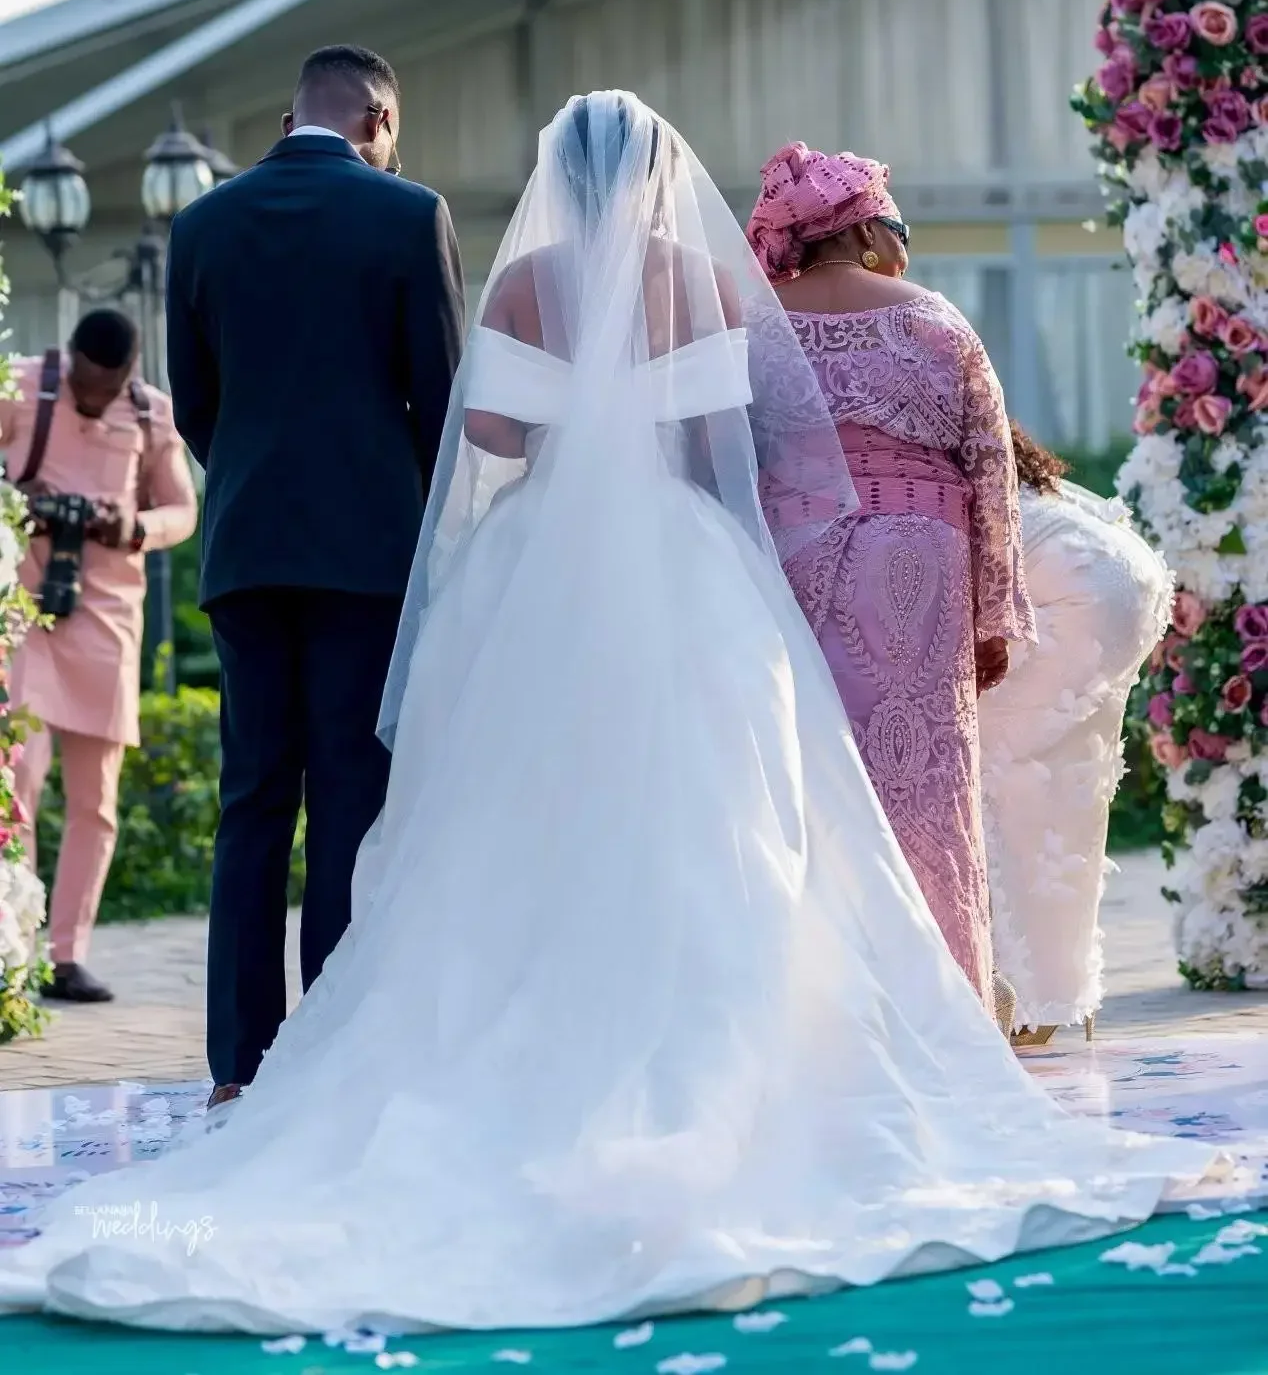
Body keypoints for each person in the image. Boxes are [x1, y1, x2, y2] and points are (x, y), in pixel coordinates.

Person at [0, 94, 1218, 1338]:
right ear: (655, 172)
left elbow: (482, 426)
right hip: (680, 554)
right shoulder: (700, 276)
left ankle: (474, 1032)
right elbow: (742, 433)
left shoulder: (526, 281)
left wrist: (565, 421)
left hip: (532, 560)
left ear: (558, 178)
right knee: (708, 795)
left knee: (510, 795)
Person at [164, 44, 464, 1110]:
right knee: (348, 796)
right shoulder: (408, 214)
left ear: (292, 118)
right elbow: (442, 402)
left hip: (247, 547)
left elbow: (194, 403)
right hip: (368, 552)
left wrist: (258, 482)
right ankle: (331, 1056)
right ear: (379, 119)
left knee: (253, 797)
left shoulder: (201, 224)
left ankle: (239, 1064)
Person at [748, 142, 1033, 1011]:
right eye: (896, 226)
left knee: (809, 779)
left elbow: (727, 455)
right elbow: (991, 469)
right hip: (917, 558)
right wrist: (995, 611)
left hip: (792, 554)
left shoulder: (756, 327)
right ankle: (940, 1001)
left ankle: (822, 1011)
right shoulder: (936, 322)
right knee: (925, 783)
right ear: (867, 229)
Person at [1, 308, 197, 1004]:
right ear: (70, 360)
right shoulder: (24, 386)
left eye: (103, 388)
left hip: (107, 617)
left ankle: (67, 956)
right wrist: (17, 498)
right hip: (25, 611)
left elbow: (183, 511)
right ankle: (15, 951)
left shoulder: (150, 414)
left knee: (97, 799)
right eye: (82, 384)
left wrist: (131, 525)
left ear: (126, 376)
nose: (91, 397)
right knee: (19, 778)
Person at [978, 423, 1173, 1046]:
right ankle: (1060, 992)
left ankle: (1024, 996)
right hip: (1131, 581)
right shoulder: (1015, 471)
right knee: (1069, 792)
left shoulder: (937, 472)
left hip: (1078, 592)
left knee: (990, 774)